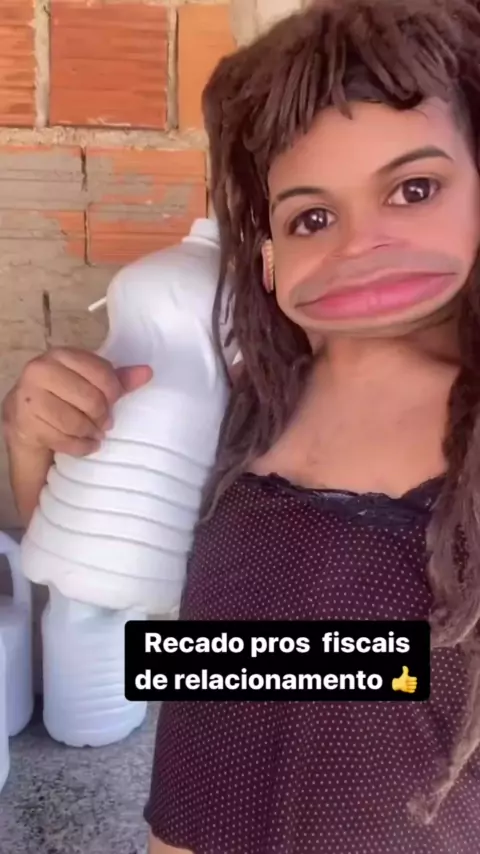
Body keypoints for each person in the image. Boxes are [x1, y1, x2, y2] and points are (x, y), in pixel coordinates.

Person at [4, 0, 480, 850]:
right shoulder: (238, 407)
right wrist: (38, 440)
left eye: (414, 189)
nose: (360, 243)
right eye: (312, 218)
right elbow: (128, 593)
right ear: (266, 256)